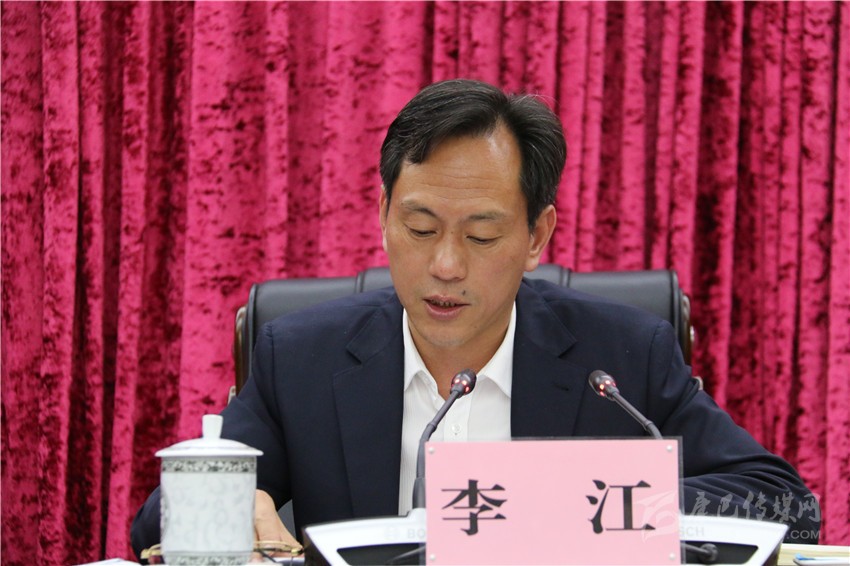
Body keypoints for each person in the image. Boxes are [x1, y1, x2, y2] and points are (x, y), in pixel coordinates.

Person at [131, 79, 819, 558]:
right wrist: (229, 505)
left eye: (482, 236)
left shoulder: (620, 356)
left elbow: (786, 506)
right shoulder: (302, 357)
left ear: (537, 236)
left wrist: (587, 503)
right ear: (383, 215)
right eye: (420, 228)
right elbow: (153, 527)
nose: (446, 265)